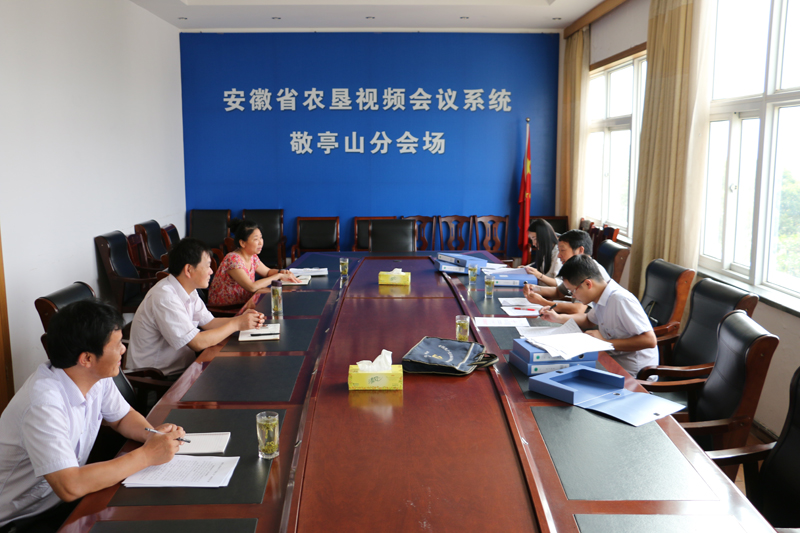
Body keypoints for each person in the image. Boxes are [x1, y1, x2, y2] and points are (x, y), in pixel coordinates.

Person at [0, 300, 184, 532]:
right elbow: (70, 486)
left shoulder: (94, 376)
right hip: (20, 519)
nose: (123, 349)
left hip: (59, 502)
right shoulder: (43, 405)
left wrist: (152, 436)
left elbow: (122, 417)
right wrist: (147, 455)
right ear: (86, 358)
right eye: (117, 345)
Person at [127, 237, 265, 375]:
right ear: (188, 270)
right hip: (159, 375)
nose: (211, 271)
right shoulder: (165, 297)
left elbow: (210, 323)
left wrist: (242, 320)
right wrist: (236, 324)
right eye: (207, 266)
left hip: (185, 367)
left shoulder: (189, 289)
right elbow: (197, 343)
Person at [539, 255, 658, 377]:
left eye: (573, 291)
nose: (573, 296)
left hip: (632, 371)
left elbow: (649, 340)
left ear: (588, 284)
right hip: (610, 359)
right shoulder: (600, 296)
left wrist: (605, 342)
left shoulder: (620, 300)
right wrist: (558, 318)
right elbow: (588, 319)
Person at [208, 219, 299, 307]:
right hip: (226, 307)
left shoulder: (252, 256)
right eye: (256, 239)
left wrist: (281, 272)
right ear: (242, 243)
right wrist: (279, 276)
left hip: (245, 302)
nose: (260, 242)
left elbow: (267, 272)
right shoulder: (233, 259)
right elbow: (251, 287)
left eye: (261, 238)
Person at [523, 229, 610, 314]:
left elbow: (578, 309)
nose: (559, 255)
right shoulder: (575, 268)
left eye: (563, 250)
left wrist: (543, 302)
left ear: (580, 250)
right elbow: (558, 292)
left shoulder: (590, 271)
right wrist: (533, 288)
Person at [523, 219, 562, 287]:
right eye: (532, 240)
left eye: (535, 239)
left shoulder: (559, 253)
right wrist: (527, 268)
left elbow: (560, 284)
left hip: (550, 292)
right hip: (541, 289)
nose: (533, 244)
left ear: (544, 236)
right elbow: (539, 265)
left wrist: (539, 275)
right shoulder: (545, 249)